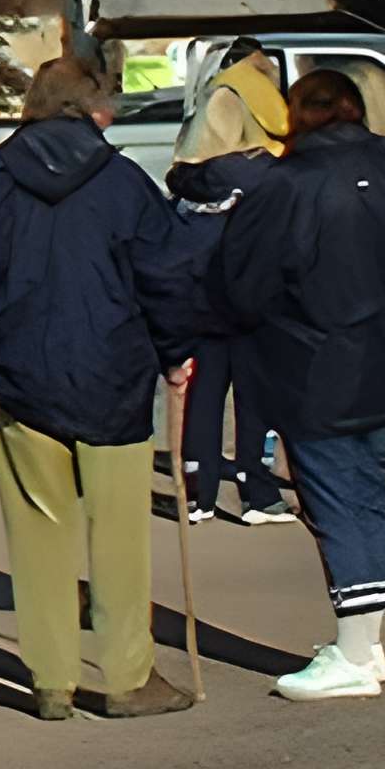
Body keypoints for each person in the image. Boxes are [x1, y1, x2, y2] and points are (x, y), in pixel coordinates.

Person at [0, 59, 198, 724]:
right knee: (117, 535)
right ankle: (125, 674)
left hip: (20, 379)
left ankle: (51, 677)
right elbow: (166, 276)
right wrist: (175, 357)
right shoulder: (122, 183)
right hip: (111, 375)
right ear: (92, 111)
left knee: (37, 533)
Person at [215, 67, 385, 699]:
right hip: (382, 351)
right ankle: (366, 641)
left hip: (315, 359)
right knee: (361, 495)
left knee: (336, 499)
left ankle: (357, 653)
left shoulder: (287, 185)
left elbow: (245, 283)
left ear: (296, 115)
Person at [163, 80, 291, 529]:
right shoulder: (272, 174)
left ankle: (198, 495)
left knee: (204, 398)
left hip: (200, 303)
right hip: (256, 304)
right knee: (255, 402)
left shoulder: (184, 180)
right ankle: (259, 494)